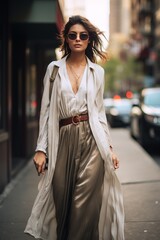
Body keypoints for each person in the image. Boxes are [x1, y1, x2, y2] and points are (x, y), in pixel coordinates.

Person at [24, 15, 125, 240]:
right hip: (62, 140)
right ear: (67, 39)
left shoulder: (97, 72)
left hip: (92, 141)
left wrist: (108, 147)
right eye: (73, 35)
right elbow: (46, 111)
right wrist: (41, 148)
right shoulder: (53, 70)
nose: (78, 39)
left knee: (83, 207)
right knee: (62, 206)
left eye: (83, 35)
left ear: (89, 40)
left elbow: (99, 113)